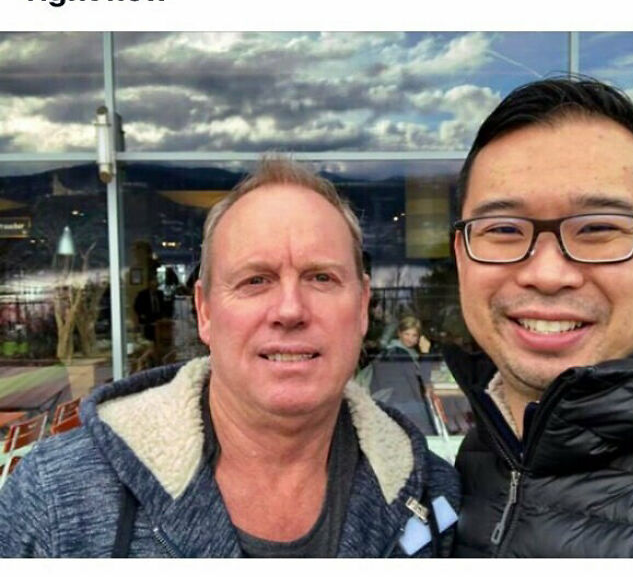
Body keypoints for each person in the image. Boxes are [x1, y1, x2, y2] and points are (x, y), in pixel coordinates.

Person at [0, 158, 459, 557]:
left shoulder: (434, 496)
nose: (289, 310)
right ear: (204, 312)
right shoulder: (58, 500)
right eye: (255, 280)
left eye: (321, 277)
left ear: (361, 308)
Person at [444, 77, 633, 556]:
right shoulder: (453, 474)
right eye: (502, 228)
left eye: (598, 228)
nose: (546, 273)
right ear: (462, 258)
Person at [369, 316, 435, 435]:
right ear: (399, 333)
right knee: (431, 422)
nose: (410, 339)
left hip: (397, 401)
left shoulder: (402, 352)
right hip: (400, 403)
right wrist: (425, 353)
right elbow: (422, 379)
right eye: (407, 334)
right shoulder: (398, 354)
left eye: (414, 335)